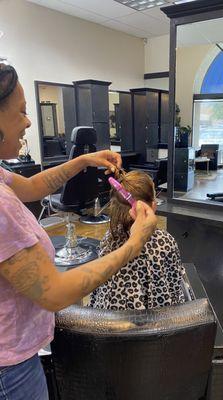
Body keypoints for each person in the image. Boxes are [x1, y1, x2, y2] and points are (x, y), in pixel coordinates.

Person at [0, 64, 157, 400]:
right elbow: (54, 293)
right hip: (8, 370)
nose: (28, 121)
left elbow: (31, 186)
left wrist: (83, 161)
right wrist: (134, 244)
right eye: (22, 112)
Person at [89, 170, 186, 310]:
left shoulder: (108, 240)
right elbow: (175, 286)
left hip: (108, 321)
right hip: (157, 322)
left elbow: (97, 293)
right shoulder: (165, 242)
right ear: (152, 206)